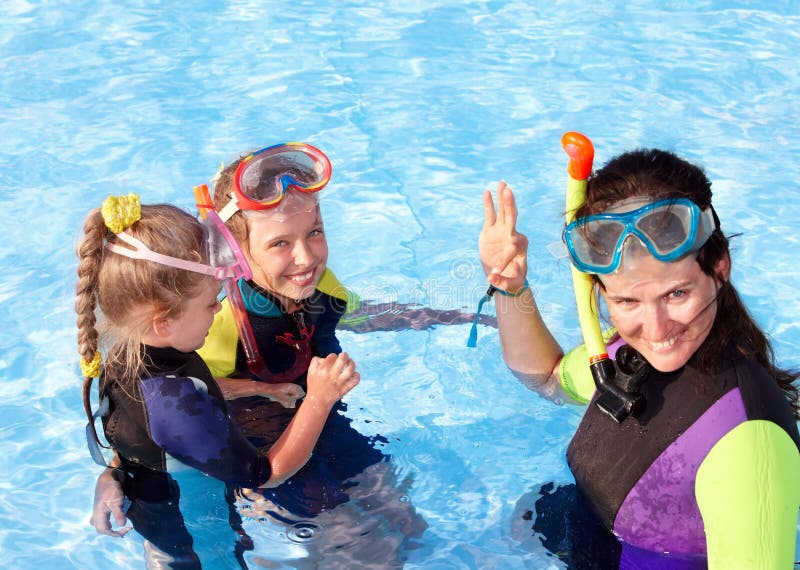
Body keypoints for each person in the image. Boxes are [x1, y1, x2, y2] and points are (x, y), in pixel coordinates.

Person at [477, 147, 800, 569]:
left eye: (677, 294)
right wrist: (511, 289)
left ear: (720, 268)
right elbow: (548, 378)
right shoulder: (625, 355)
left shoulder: (749, 443)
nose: (656, 328)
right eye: (628, 301)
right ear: (602, 292)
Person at [77, 194, 360, 567]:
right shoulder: (176, 403)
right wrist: (319, 400)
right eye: (211, 302)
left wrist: (113, 475)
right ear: (163, 322)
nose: (218, 309)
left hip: (165, 513)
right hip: (197, 537)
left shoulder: (126, 356)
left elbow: (134, 433)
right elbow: (267, 474)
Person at [196, 142, 427, 566]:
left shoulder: (321, 285)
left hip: (323, 422)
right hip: (262, 448)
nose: (306, 257)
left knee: (404, 516)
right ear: (233, 251)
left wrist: (441, 315)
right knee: (350, 539)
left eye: (314, 233)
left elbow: (361, 316)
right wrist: (254, 388)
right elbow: (184, 389)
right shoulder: (220, 316)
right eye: (280, 243)